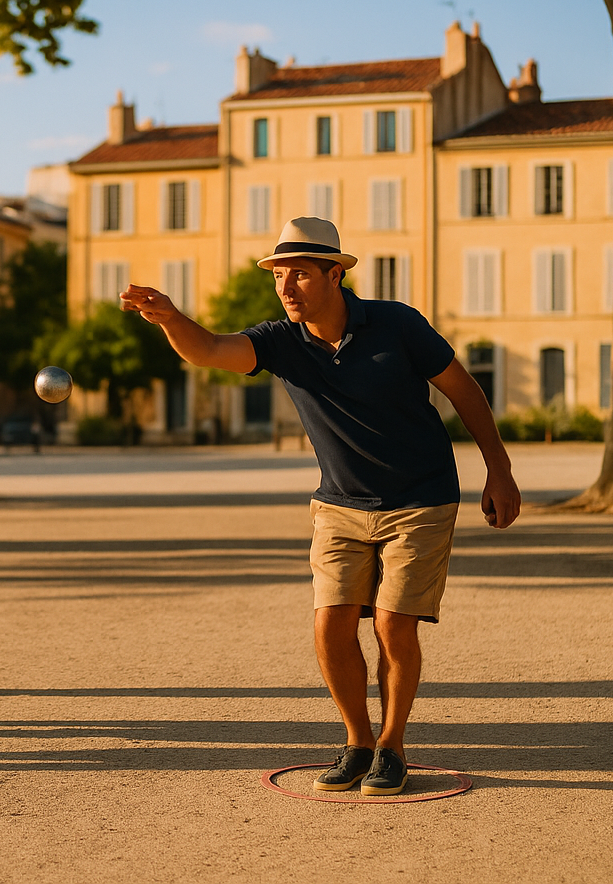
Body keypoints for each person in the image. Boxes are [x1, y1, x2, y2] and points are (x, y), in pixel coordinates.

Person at [120, 216, 520, 797]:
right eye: (279, 275)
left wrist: (499, 469)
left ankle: (392, 747)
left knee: (392, 623)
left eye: (300, 275)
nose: (286, 288)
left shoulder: (397, 324)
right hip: (339, 503)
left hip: (420, 498)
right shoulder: (282, 340)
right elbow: (208, 350)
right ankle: (358, 742)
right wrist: (170, 318)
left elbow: (464, 389)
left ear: (335, 273)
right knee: (330, 623)